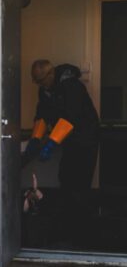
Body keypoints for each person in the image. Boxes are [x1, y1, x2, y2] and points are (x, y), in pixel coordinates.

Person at [23, 59, 100, 245]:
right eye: (37, 82)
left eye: (41, 80)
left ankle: (85, 234)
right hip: (70, 141)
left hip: (85, 139)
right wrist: (35, 138)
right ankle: (69, 229)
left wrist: (50, 143)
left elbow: (70, 118)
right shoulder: (46, 90)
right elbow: (42, 114)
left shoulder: (71, 86)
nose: (40, 85)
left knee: (78, 184)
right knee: (66, 178)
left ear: (51, 75)